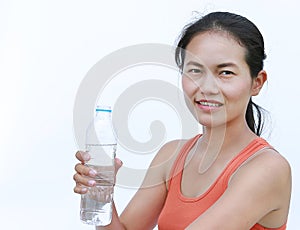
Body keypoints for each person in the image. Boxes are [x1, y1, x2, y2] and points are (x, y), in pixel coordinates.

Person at [73, 11, 291, 229]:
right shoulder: (171, 157)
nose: (207, 87)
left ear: (257, 83)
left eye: (225, 72)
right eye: (195, 70)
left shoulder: (267, 169)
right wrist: (100, 194)